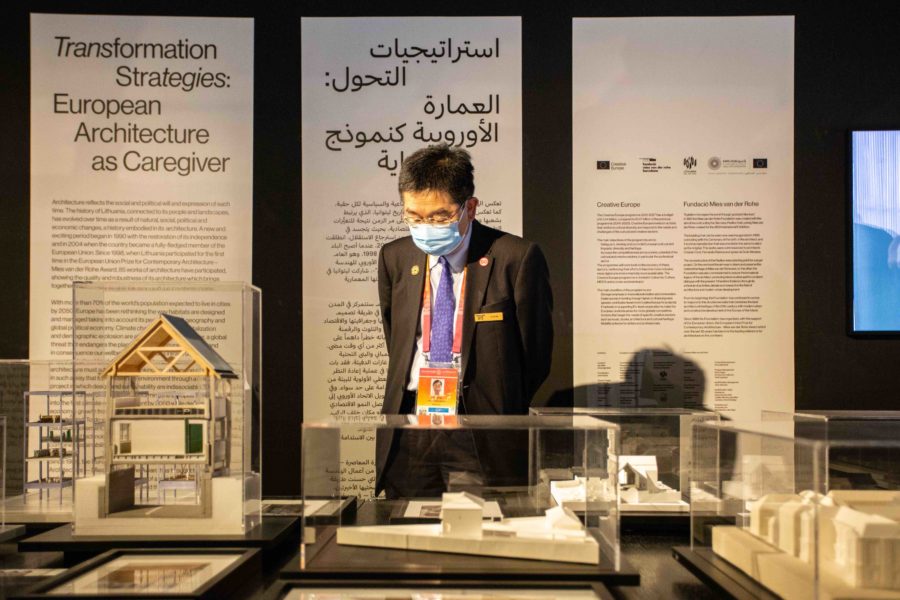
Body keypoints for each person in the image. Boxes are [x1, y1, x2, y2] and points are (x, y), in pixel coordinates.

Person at [376, 144, 553, 497]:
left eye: (440, 217)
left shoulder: (514, 258)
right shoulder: (395, 257)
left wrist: (497, 402)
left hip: (482, 431)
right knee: (407, 524)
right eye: (414, 216)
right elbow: (396, 337)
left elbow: (535, 356)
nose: (425, 227)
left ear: (470, 208)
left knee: (487, 524)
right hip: (412, 424)